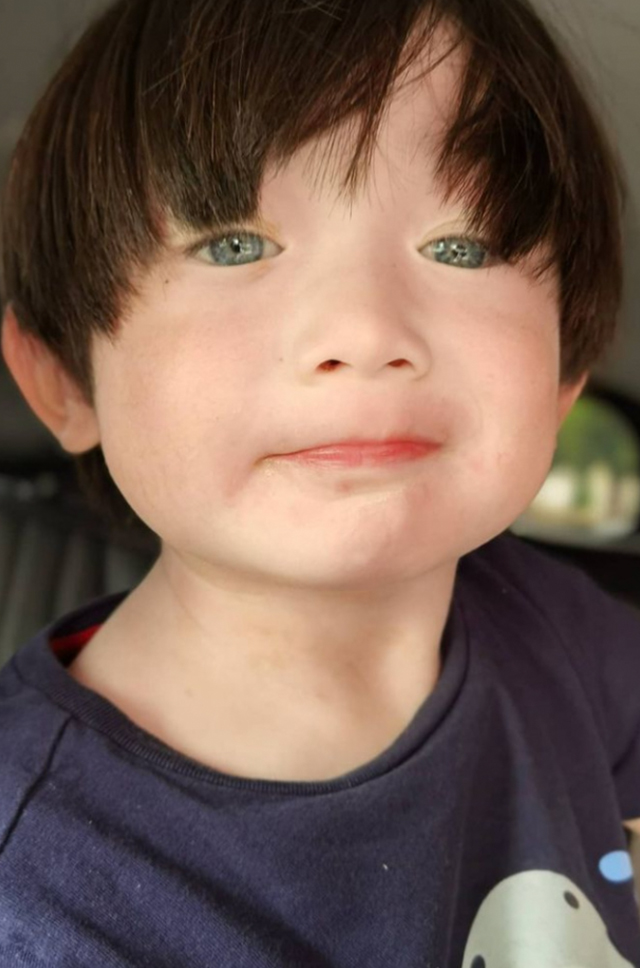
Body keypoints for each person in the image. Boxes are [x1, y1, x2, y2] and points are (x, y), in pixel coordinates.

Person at [0, 0, 639, 963]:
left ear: (563, 384)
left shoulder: (555, 630)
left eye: (462, 248)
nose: (365, 332)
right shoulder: (35, 891)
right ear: (63, 378)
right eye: (234, 244)